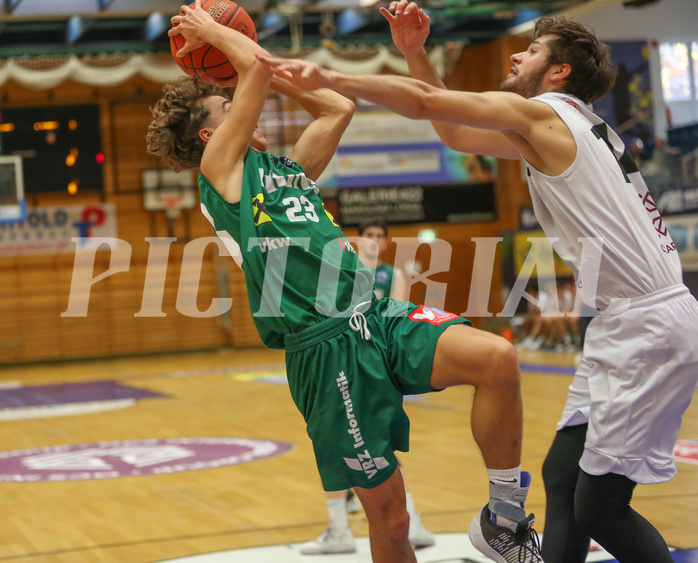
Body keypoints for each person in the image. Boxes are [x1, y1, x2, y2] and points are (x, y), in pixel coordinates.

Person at [257, 3, 698, 562]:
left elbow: (424, 105)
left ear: (560, 72)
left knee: (601, 507)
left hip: (648, 324)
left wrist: (329, 77)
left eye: (535, 50)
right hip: (625, 320)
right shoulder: (562, 126)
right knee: (561, 477)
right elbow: (456, 133)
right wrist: (415, 52)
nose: (518, 52)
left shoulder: (547, 113)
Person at [146, 3, 542, 563]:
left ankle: (503, 518)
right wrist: (219, 39)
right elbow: (253, 73)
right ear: (211, 132)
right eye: (227, 103)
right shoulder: (221, 171)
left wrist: (265, 63)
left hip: (374, 316)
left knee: (497, 360)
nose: (242, 105)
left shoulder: (285, 169)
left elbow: (336, 106)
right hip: (324, 348)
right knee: (392, 518)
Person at [301, 219, 434, 555]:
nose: (374, 240)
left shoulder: (392, 276)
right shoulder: (340, 267)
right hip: (342, 358)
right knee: (344, 442)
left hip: (373, 364)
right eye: (368, 235)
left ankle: (401, 521)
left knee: (371, 446)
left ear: (386, 242)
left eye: (379, 236)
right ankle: (349, 526)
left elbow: (396, 316)